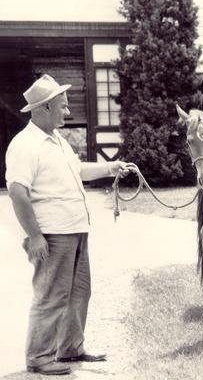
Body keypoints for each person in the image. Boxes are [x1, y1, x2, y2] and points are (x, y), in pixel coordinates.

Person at [5, 74, 133, 376]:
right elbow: (17, 192)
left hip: (76, 230)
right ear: (45, 108)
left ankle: (70, 348)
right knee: (51, 296)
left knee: (79, 292)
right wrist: (34, 236)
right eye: (62, 107)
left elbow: (79, 170)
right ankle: (38, 357)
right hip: (52, 233)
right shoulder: (24, 145)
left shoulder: (57, 141)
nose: (68, 112)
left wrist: (109, 167)